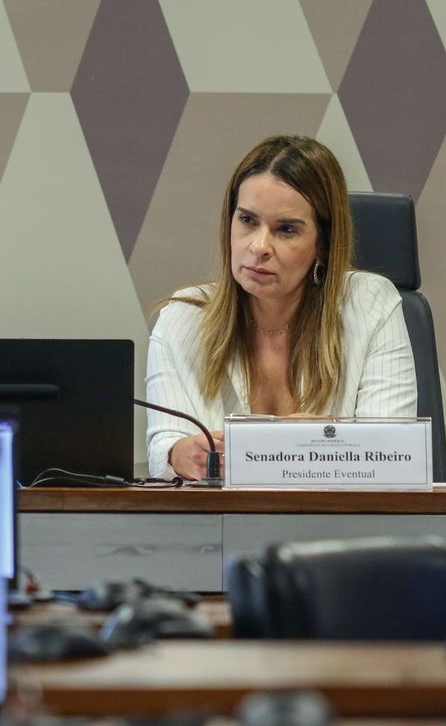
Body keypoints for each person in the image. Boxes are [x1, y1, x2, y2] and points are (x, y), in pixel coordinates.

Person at [145, 134, 417, 480]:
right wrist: (177, 454)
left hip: (336, 514)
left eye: (286, 229)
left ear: (323, 243)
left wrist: (332, 440)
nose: (259, 246)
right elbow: (163, 446)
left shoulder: (370, 306)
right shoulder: (182, 319)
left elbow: (395, 457)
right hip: (219, 516)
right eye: (247, 220)